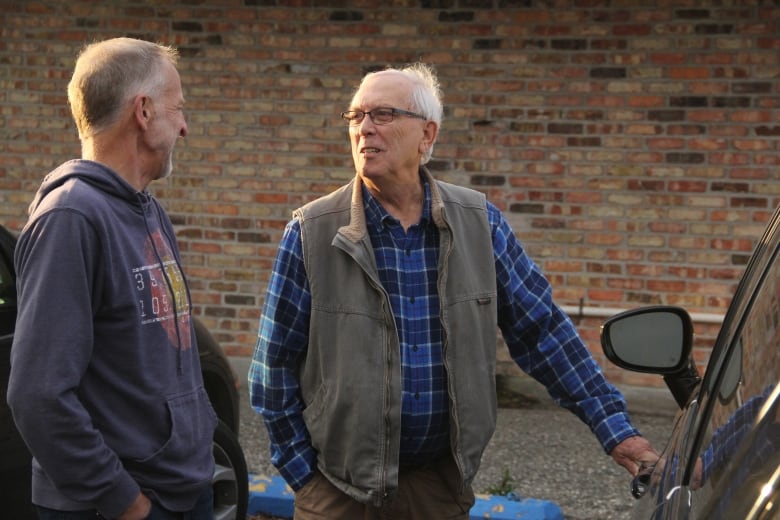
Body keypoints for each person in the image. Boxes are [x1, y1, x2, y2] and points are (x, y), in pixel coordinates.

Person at [249, 62, 658, 519]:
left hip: (437, 489)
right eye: (355, 116)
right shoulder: (311, 231)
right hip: (338, 492)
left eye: (382, 114)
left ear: (427, 135)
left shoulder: (479, 224)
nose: (364, 128)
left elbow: (543, 332)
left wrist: (617, 430)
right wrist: (304, 475)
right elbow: (272, 369)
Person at [7, 37, 216, 520]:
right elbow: (37, 394)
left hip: (181, 490)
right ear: (143, 111)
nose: (184, 126)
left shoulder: (149, 211)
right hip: (121, 506)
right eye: (178, 108)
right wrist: (127, 504)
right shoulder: (71, 218)